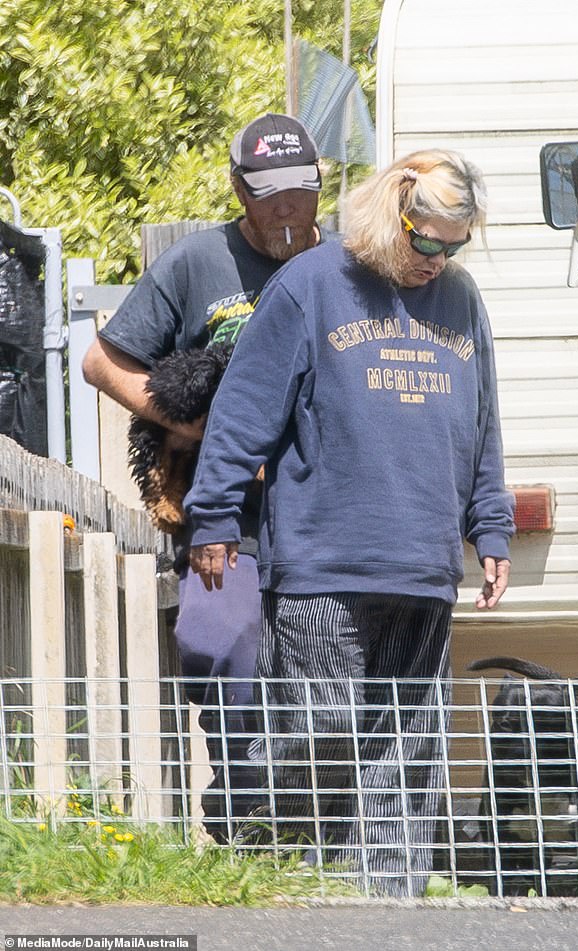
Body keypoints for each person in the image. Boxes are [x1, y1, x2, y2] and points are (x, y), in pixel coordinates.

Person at [184, 148, 515, 893]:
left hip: (423, 569)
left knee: (407, 756)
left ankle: (388, 915)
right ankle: (296, 895)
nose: (440, 259)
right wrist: (211, 519)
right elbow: (243, 410)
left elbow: (483, 420)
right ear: (390, 217)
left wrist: (489, 526)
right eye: (428, 240)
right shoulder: (311, 285)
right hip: (321, 564)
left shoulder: (461, 302)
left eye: (455, 245)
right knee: (319, 738)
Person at [82, 113, 332, 842]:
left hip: (320, 509)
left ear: (319, 188)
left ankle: (324, 828)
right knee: (219, 638)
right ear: (237, 190)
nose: (286, 210)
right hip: (227, 512)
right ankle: (244, 813)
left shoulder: (349, 262)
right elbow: (102, 362)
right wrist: (193, 428)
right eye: (268, 195)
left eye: (299, 192)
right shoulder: (199, 263)